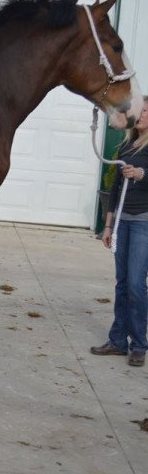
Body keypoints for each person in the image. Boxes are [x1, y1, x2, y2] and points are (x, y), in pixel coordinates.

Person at [92, 96, 148, 367]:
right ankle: (117, 341)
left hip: (143, 222)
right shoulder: (126, 145)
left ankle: (139, 345)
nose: (143, 114)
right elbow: (114, 188)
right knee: (122, 283)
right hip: (122, 221)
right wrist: (108, 225)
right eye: (141, 110)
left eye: (147, 111)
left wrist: (141, 174)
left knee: (137, 285)